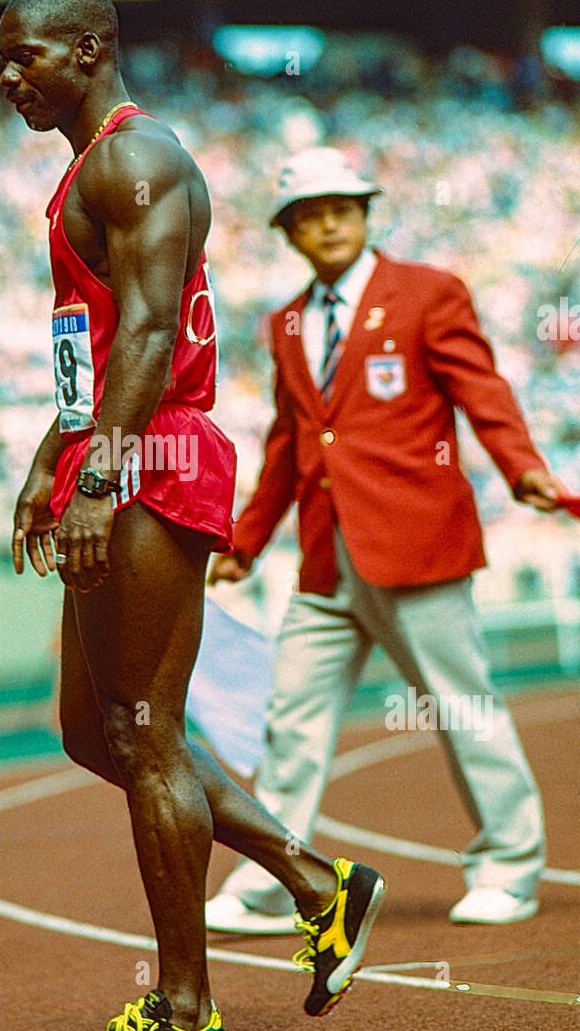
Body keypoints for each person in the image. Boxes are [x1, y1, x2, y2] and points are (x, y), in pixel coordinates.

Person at [0, 0, 385, 1031]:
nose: (9, 78)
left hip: (154, 456)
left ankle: (181, 1005)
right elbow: (100, 337)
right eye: (2, 60)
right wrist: (49, 458)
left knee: (145, 733)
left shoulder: (133, 158)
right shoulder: (93, 169)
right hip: (115, 445)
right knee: (94, 730)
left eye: (27, 56)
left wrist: (93, 480)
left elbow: (155, 338)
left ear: (89, 46)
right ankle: (315, 883)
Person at [207, 145, 561, 934]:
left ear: (365, 215)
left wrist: (522, 468)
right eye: (308, 216)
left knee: (463, 706)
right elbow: (289, 442)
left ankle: (510, 865)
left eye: (340, 210)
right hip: (327, 557)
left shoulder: (429, 293)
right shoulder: (288, 321)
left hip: (419, 548)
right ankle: (277, 876)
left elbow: (482, 391)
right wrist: (246, 542)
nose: (327, 225)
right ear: (290, 233)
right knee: (291, 722)